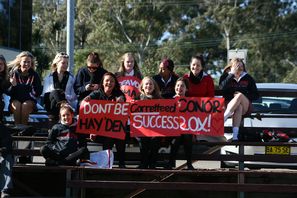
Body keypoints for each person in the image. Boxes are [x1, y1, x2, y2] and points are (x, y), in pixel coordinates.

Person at [84, 72, 127, 168]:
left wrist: (121, 99)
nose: (109, 83)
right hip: (99, 131)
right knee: (108, 138)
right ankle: (106, 164)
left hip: (115, 129)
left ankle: (121, 164)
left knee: (120, 137)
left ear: (115, 83)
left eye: (112, 81)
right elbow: (88, 105)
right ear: (102, 83)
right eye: (107, 81)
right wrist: (88, 98)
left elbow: (123, 98)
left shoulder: (118, 93)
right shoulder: (97, 93)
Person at [219, 58, 259, 141]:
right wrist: (232, 75)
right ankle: (235, 136)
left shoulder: (248, 78)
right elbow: (221, 89)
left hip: (246, 105)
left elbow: (256, 95)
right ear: (231, 67)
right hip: (228, 105)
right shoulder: (226, 76)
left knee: (239, 95)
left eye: (241, 65)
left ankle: (223, 118)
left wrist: (243, 97)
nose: (239, 67)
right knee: (238, 107)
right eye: (237, 65)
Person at [7, 51, 42, 125]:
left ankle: (23, 129)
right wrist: (13, 86)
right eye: (24, 62)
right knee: (17, 105)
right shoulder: (13, 74)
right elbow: (9, 92)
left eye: (29, 62)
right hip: (15, 101)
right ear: (20, 62)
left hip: (29, 102)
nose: (27, 64)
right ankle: (17, 128)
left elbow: (38, 92)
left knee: (25, 105)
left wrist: (18, 87)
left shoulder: (34, 75)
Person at [167, 77, 195, 170]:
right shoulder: (169, 100)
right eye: (178, 85)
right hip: (172, 130)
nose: (179, 88)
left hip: (186, 130)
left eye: (182, 86)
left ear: (186, 89)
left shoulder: (191, 102)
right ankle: (171, 163)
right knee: (177, 136)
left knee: (187, 135)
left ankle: (189, 164)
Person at [42, 52, 77, 122]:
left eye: (67, 63)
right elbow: (45, 94)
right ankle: (63, 104)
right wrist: (58, 94)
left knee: (56, 98)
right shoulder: (48, 77)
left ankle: (53, 122)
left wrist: (64, 96)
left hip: (64, 103)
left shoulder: (71, 78)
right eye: (63, 63)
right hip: (49, 102)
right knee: (55, 92)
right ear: (57, 63)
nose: (66, 65)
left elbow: (74, 95)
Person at [137, 76, 162, 169]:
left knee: (155, 139)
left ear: (154, 87)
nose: (149, 86)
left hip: (156, 130)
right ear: (142, 87)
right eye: (146, 84)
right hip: (142, 130)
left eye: (151, 84)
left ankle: (152, 164)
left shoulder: (160, 99)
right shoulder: (137, 98)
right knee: (142, 139)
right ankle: (143, 163)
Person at [0, 124, 13, 198]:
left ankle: (4, 190)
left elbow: (7, 146)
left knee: (6, 160)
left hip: (1, 154)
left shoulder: (2, 128)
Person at [0, 55, 10, 123]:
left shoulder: (6, 79)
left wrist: (13, 85)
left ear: (4, 66)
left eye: (1, 64)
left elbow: (8, 92)